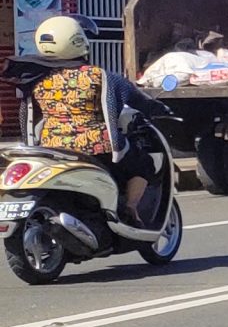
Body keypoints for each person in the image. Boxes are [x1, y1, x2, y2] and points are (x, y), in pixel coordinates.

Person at [25, 16, 154, 217]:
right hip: (94, 147)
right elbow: (140, 100)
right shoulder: (100, 76)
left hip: (51, 147)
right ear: (77, 40)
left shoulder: (36, 79)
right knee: (144, 163)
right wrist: (160, 110)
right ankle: (130, 209)